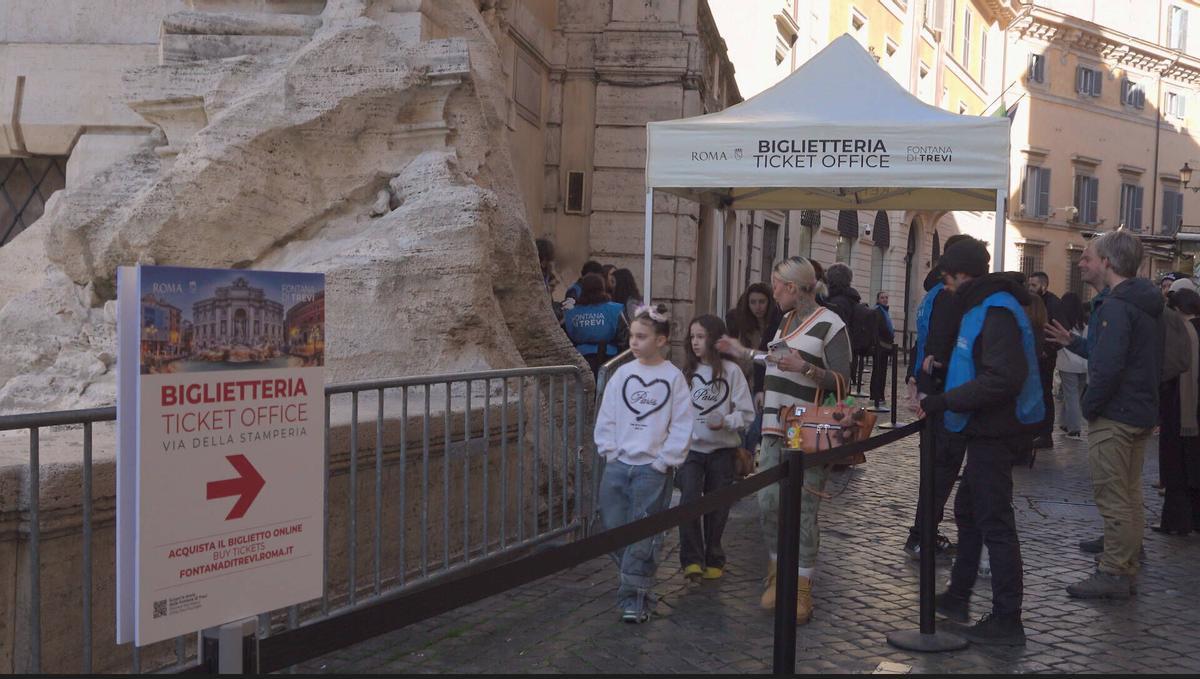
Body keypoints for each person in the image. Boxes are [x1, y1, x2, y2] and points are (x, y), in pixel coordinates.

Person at [920, 238, 1044, 646]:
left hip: (995, 430)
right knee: (969, 510)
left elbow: (1001, 378)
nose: (946, 287)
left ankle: (1008, 618)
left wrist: (944, 401)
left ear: (964, 276)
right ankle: (958, 595)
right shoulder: (984, 306)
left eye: (949, 279)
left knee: (995, 521)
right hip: (982, 427)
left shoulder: (996, 310)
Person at [716, 256, 852, 625]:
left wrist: (804, 367)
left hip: (808, 431)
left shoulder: (830, 324)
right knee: (768, 502)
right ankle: (778, 573)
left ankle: (802, 587)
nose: (771, 291)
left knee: (804, 509)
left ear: (792, 288)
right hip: (775, 427)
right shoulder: (786, 320)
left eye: (775, 284)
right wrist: (745, 355)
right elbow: (778, 360)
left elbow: (843, 381)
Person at [1046, 229, 1163, 599]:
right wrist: (1076, 343)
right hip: (1137, 410)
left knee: (1114, 495)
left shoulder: (1115, 306)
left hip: (1116, 414)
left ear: (1107, 263)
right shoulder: (1141, 302)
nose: (1081, 263)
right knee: (1128, 494)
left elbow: (1110, 365)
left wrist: (1090, 406)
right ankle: (1124, 559)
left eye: (1087, 257)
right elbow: (1114, 353)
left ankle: (1114, 570)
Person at [593, 303, 692, 623]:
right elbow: (607, 414)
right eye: (632, 336)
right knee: (613, 526)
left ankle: (632, 598)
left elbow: (681, 422)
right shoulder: (621, 374)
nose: (634, 342)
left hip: (652, 469)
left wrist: (665, 461)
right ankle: (638, 582)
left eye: (642, 336)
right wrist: (609, 450)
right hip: (619, 463)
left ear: (661, 340)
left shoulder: (673, 378)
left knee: (643, 530)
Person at [902, 233, 975, 559]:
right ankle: (922, 535)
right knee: (940, 469)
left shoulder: (931, 295)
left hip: (931, 390)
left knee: (933, 470)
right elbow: (938, 345)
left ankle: (922, 532)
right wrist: (926, 383)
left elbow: (925, 342)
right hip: (943, 396)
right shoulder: (948, 296)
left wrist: (915, 379)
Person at [678, 314, 755, 582]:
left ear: (714, 338)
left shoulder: (731, 372)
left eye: (701, 336)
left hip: (722, 450)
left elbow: (746, 413)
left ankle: (714, 556)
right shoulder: (687, 373)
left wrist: (725, 421)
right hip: (691, 451)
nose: (696, 342)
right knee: (688, 500)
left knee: (718, 505)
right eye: (692, 337)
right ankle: (691, 559)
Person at [1154, 282, 1200, 535]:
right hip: (1191, 409)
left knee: (1176, 466)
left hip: (1181, 409)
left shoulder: (1182, 332)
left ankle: (1177, 521)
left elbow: (1171, 368)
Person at [726, 283, 782, 459]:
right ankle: (740, 463)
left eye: (762, 302)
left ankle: (747, 458)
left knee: (756, 427)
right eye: (753, 302)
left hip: (765, 383)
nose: (758, 307)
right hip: (742, 381)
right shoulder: (740, 324)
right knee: (742, 427)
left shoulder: (777, 323)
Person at [562, 273, 626, 378]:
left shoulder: (571, 312)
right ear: (602, 288)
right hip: (610, 360)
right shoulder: (615, 309)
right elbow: (624, 337)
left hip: (579, 360)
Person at [1026, 272, 1063, 449]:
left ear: (1044, 286)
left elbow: (1060, 330)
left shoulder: (1053, 304)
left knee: (1045, 394)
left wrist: (1048, 351)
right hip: (1034, 356)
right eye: (1029, 285)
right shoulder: (1032, 302)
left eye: (1033, 285)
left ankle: (1045, 433)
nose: (1030, 288)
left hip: (1045, 358)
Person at [1056, 292, 1088, 440]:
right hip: (1083, 363)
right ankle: (1064, 422)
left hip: (1068, 363)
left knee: (1071, 396)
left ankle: (1074, 428)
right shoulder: (1085, 323)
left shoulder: (1063, 323)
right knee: (1075, 395)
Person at [870, 291, 896, 409]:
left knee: (882, 372)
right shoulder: (878, 311)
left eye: (886, 297)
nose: (885, 299)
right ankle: (876, 396)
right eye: (882, 298)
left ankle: (880, 395)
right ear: (878, 299)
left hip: (885, 346)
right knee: (878, 371)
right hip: (880, 346)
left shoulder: (884, 311)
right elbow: (878, 329)